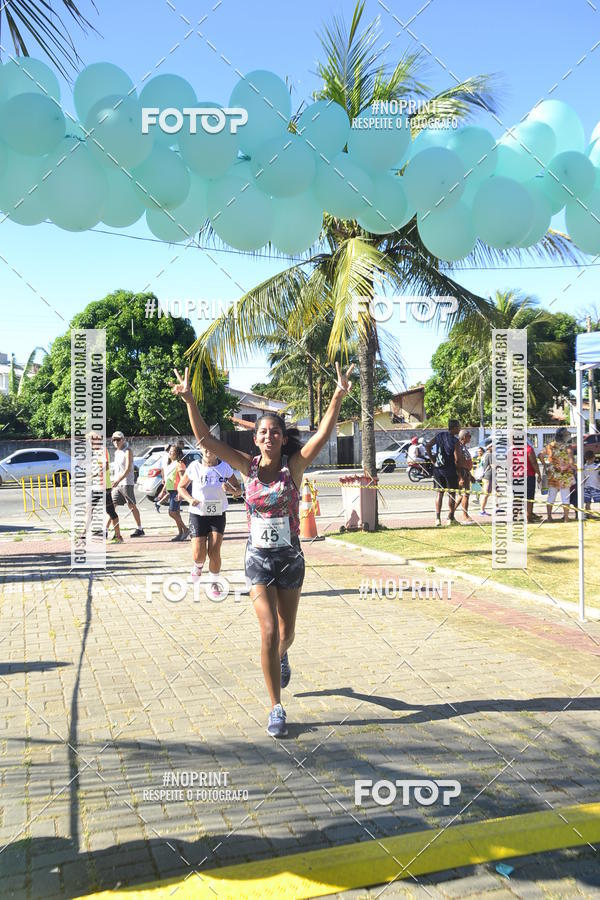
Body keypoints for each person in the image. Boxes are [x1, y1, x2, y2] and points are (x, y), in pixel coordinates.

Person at [172, 362, 354, 738]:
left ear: (282, 438)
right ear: (254, 438)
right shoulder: (246, 467)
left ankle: (283, 655)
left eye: (275, 432)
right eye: (263, 432)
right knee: (268, 630)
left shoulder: (294, 466)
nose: (269, 437)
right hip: (257, 560)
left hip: (290, 561)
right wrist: (190, 400)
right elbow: (206, 440)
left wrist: (337, 395)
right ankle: (276, 707)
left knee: (286, 634)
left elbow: (321, 435)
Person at [177, 446, 242, 597]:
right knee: (199, 554)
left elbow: (239, 490)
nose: (208, 451)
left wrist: (231, 490)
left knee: (214, 551)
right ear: (200, 450)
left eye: (211, 448)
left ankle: (214, 582)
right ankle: (197, 566)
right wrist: (190, 499)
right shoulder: (194, 466)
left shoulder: (224, 467)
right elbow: (181, 487)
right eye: (204, 449)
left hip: (217, 514)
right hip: (198, 513)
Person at [425, 419, 461, 527]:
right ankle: (450, 517)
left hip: (438, 469)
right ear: (454, 427)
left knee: (439, 493)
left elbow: (428, 446)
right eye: (458, 427)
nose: (459, 429)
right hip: (450, 469)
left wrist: (432, 459)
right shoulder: (455, 441)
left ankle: (437, 518)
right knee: (452, 493)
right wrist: (459, 472)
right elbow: (457, 459)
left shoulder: (440, 435)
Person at [110, 431, 144, 537]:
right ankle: (105, 530)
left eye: (118, 439)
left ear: (123, 439)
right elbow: (117, 469)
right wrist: (113, 479)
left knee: (131, 505)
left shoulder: (127, 451)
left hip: (126, 483)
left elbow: (128, 469)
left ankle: (139, 528)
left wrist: (118, 480)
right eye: (114, 440)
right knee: (111, 506)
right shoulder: (116, 452)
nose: (116, 442)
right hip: (117, 483)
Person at [155, 444, 189, 541]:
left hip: (176, 491)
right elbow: (167, 479)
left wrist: (181, 493)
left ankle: (186, 530)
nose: (170, 452)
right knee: (176, 513)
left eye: (172, 451)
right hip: (171, 491)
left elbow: (183, 479)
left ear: (177, 453)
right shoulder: (170, 464)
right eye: (170, 450)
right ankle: (180, 533)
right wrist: (162, 491)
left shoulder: (179, 464)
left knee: (172, 512)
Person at [541, 427, 575, 523]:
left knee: (551, 496)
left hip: (553, 474)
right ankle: (566, 518)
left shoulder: (550, 446)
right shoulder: (568, 447)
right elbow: (571, 461)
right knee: (565, 497)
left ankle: (549, 517)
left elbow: (540, 455)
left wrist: (545, 465)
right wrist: (576, 468)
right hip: (565, 474)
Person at [456, 429, 475, 524]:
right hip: (462, 473)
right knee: (466, 495)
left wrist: (470, 475)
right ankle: (465, 516)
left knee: (461, 495)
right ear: (463, 437)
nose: (470, 438)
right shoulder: (459, 447)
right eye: (469, 436)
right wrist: (461, 477)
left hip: (466, 472)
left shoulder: (463, 447)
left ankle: (450, 514)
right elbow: (458, 462)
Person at [526, 439, 542, 523]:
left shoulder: (511, 450)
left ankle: (516, 516)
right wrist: (539, 474)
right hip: (528, 475)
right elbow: (534, 462)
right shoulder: (528, 449)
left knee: (517, 497)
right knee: (529, 498)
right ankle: (529, 517)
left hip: (516, 476)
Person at [477, 442, 493, 516]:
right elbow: (493, 465)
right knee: (486, 493)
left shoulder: (485, 455)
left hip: (487, 476)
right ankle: (481, 510)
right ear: (489, 447)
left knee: (486, 493)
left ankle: (482, 509)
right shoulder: (489, 455)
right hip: (488, 476)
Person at [583, 449, 600, 517]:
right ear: (594, 457)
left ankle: (588, 514)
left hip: (586, 486)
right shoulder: (597, 466)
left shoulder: (583, 467)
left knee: (587, 502)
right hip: (596, 486)